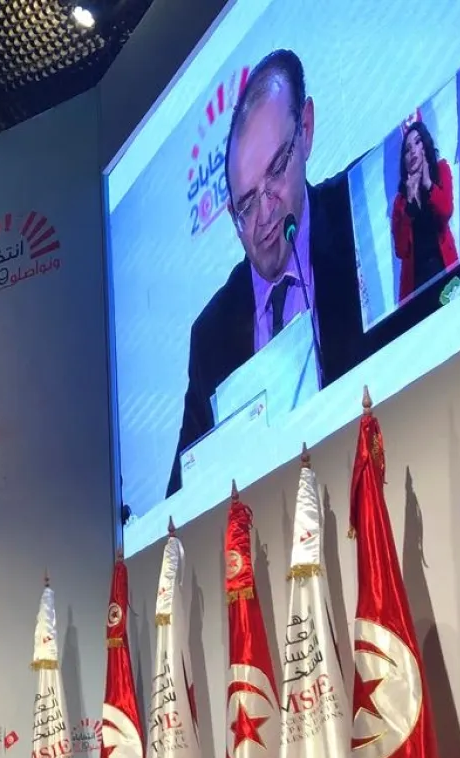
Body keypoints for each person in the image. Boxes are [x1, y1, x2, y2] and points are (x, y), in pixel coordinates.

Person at [170, 48, 384, 496]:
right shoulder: (211, 335)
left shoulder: (363, 213)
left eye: (276, 171)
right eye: (246, 205)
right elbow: (183, 502)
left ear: (305, 131)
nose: (264, 216)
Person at [392, 119, 457, 302]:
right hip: (416, 286)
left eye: (418, 142)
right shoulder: (400, 201)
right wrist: (409, 207)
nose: (412, 151)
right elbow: (401, 250)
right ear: (403, 161)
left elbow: (446, 211)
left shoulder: (441, 170)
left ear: (425, 146)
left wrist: (428, 184)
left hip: (444, 270)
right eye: (407, 149)